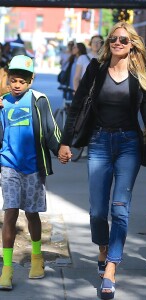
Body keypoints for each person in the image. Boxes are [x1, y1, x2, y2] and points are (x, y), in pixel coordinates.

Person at [57, 21, 146, 300]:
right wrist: (65, 141)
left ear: (132, 45)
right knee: (96, 210)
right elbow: (78, 106)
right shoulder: (96, 70)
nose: (117, 42)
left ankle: (111, 269)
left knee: (120, 207)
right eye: (113, 39)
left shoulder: (140, 74)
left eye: (123, 39)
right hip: (99, 143)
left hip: (128, 144)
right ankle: (103, 249)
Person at [0, 55, 61, 290]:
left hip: (34, 166)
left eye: (22, 81)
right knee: (10, 211)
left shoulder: (39, 100)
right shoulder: (3, 103)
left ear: (31, 81)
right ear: (8, 80)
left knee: (32, 213)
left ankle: (37, 257)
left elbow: (50, 128)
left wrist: (61, 148)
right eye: (13, 80)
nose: (17, 85)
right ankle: (7, 268)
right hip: (9, 165)